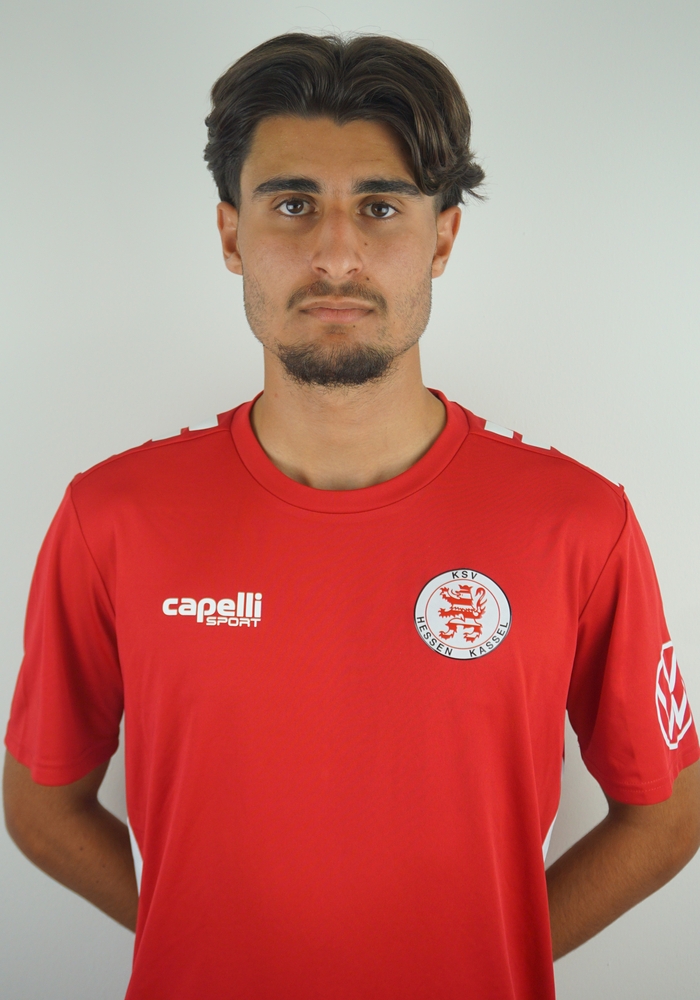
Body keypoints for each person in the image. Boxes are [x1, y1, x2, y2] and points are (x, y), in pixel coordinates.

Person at [3, 32, 700, 1000]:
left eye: (380, 207)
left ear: (442, 238)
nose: (336, 254)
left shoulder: (579, 524)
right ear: (231, 235)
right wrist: (197, 936)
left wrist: (482, 957)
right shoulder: (111, 518)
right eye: (293, 204)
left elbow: (666, 813)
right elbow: (41, 805)